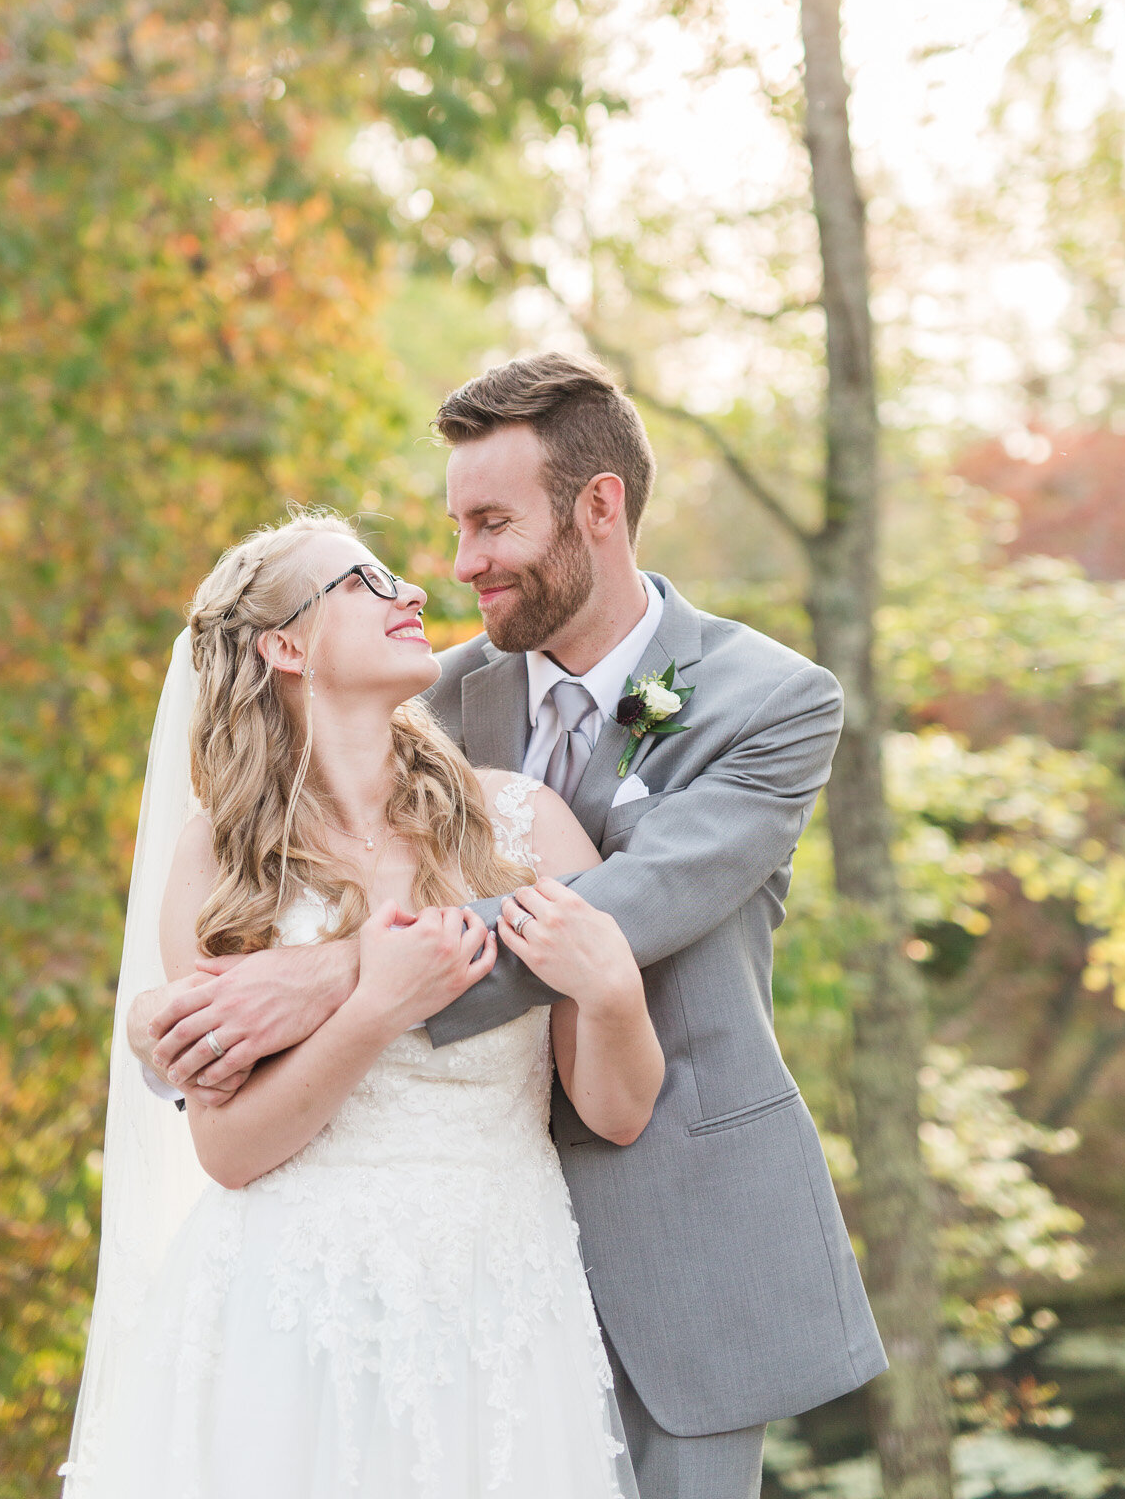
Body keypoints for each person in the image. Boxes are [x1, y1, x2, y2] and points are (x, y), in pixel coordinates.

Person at [138, 354, 888, 1499]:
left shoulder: (771, 701)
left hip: (669, 1218)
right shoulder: (416, 692)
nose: (459, 564)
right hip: (402, 1250)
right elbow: (265, 865)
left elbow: (637, 898)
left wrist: (335, 974)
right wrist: (166, 1027)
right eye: (453, 525)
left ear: (599, 508)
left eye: (492, 522)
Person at [62, 510, 662, 1499]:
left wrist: (612, 992)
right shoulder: (226, 856)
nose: (413, 593)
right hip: (292, 1313)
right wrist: (374, 1007)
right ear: (286, 644)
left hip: (500, 1299)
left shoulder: (521, 822)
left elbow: (617, 1107)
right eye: (365, 581)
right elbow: (230, 1147)